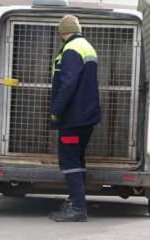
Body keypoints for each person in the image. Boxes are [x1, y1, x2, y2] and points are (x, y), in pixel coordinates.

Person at [49, 15, 101, 222]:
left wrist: (56, 111)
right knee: (77, 159)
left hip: (73, 117)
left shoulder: (71, 50)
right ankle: (75, 201)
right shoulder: (86, 46)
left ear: (62, 33)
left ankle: (78, 208)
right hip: (86, 116)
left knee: (69, 159)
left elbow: (68, 83)